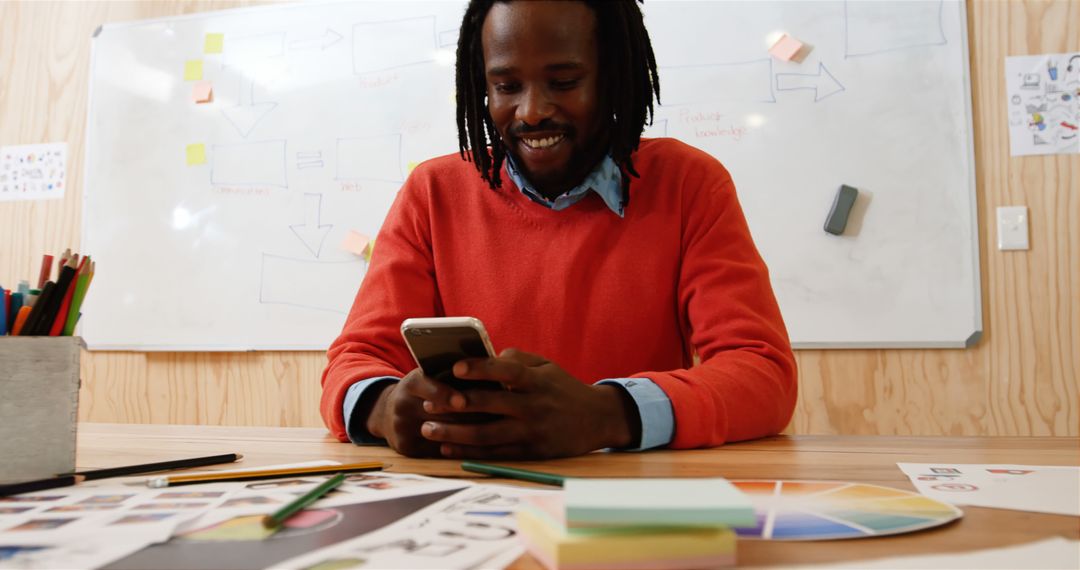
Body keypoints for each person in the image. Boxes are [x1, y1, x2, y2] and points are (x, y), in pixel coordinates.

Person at [320, 0, 797, 459]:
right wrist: (381, 409)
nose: (531, 112)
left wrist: (608, 415)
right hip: (473, 496)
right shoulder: (432, 192)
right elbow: (354, 359)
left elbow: (763, 374)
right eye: (505, 87)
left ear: (613, 78)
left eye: (564, 81)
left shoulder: (688, 183)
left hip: (631, 501)